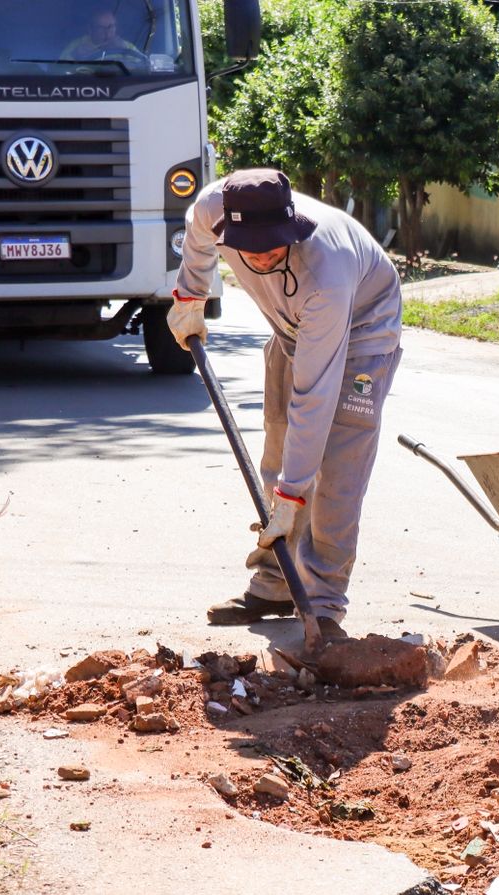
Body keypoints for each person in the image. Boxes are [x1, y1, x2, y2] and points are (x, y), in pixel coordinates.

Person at [167, 168, 403, 645]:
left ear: (291, 227)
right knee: (278, 452)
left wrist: (293, 496)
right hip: (291, 330)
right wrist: (191, 295)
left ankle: (323, 604)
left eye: (272, 247)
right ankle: (277, 583)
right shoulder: (214, 208)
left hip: (363, 333)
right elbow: (196, 233)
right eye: (249, 248)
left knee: (336, 472)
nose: (260, 257)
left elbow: (314, 398)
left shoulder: (325, 272)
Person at [59, 5, 145, 66]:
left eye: (111, 27)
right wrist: (75, 55)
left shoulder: (125, 45)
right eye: (101, 28)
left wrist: (124, 53)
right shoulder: (77, 45)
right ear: (90, 29)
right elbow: (59, 69)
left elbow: (144, 66)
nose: (107, 32)